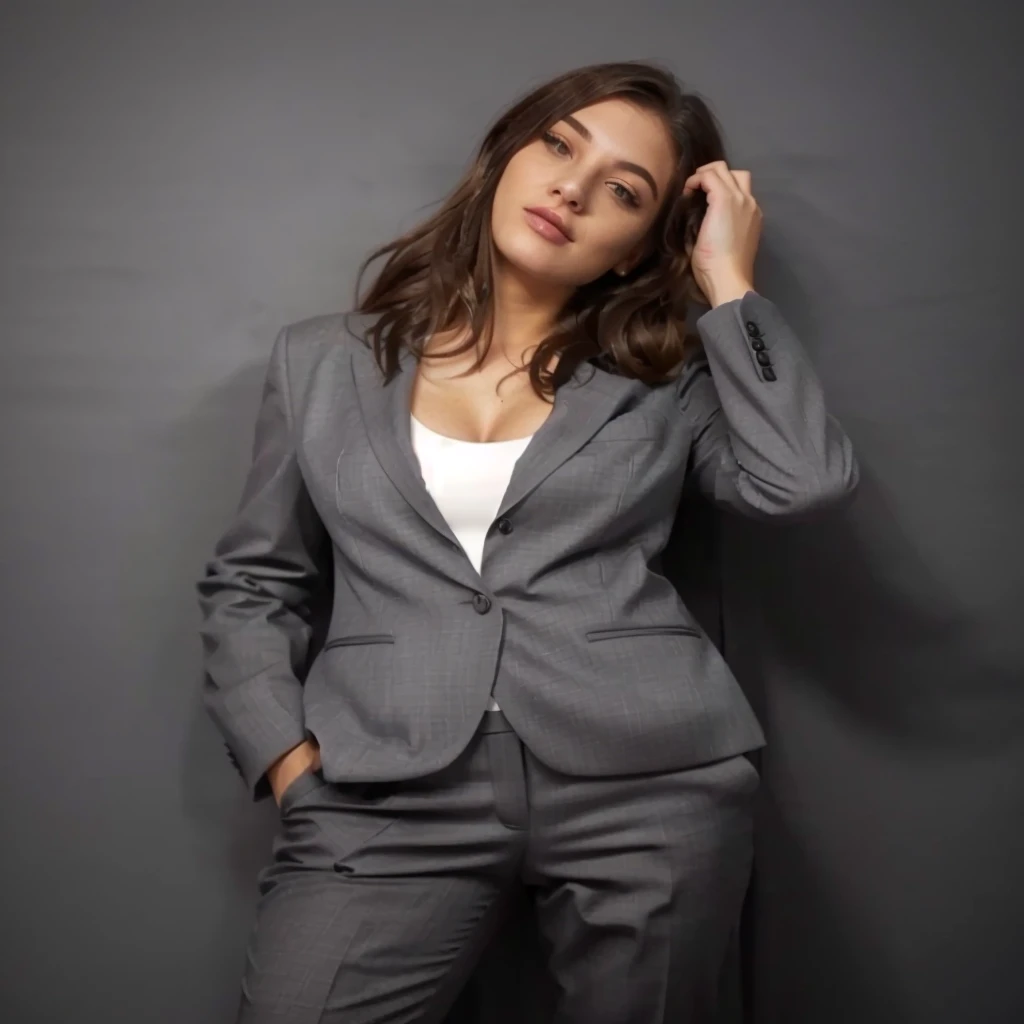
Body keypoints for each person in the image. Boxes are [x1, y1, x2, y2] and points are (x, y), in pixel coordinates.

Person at [196, 59, 859, 1024]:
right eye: (559, 144)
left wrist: (727, 286)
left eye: (624, 191)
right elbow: (253, 580)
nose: (572, 189)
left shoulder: (667, 378)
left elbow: (801, 483)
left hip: (648, 786)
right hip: (384, 788)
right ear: (509, 150)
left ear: (639, 248)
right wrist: (287, 759)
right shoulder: (320, 362)